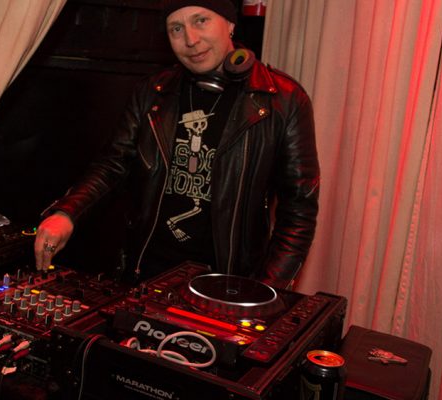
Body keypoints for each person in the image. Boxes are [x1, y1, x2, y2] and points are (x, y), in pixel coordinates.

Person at [34, 0, 319, 289]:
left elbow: (299, 211)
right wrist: (67, 212)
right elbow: (112, 165)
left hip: (228, 286)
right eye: (176, 28)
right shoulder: (153, 92)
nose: (190, 40)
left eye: (201, 20)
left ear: (230, 23)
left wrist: (266, 291)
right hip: (146, 274)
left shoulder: (282, 100)